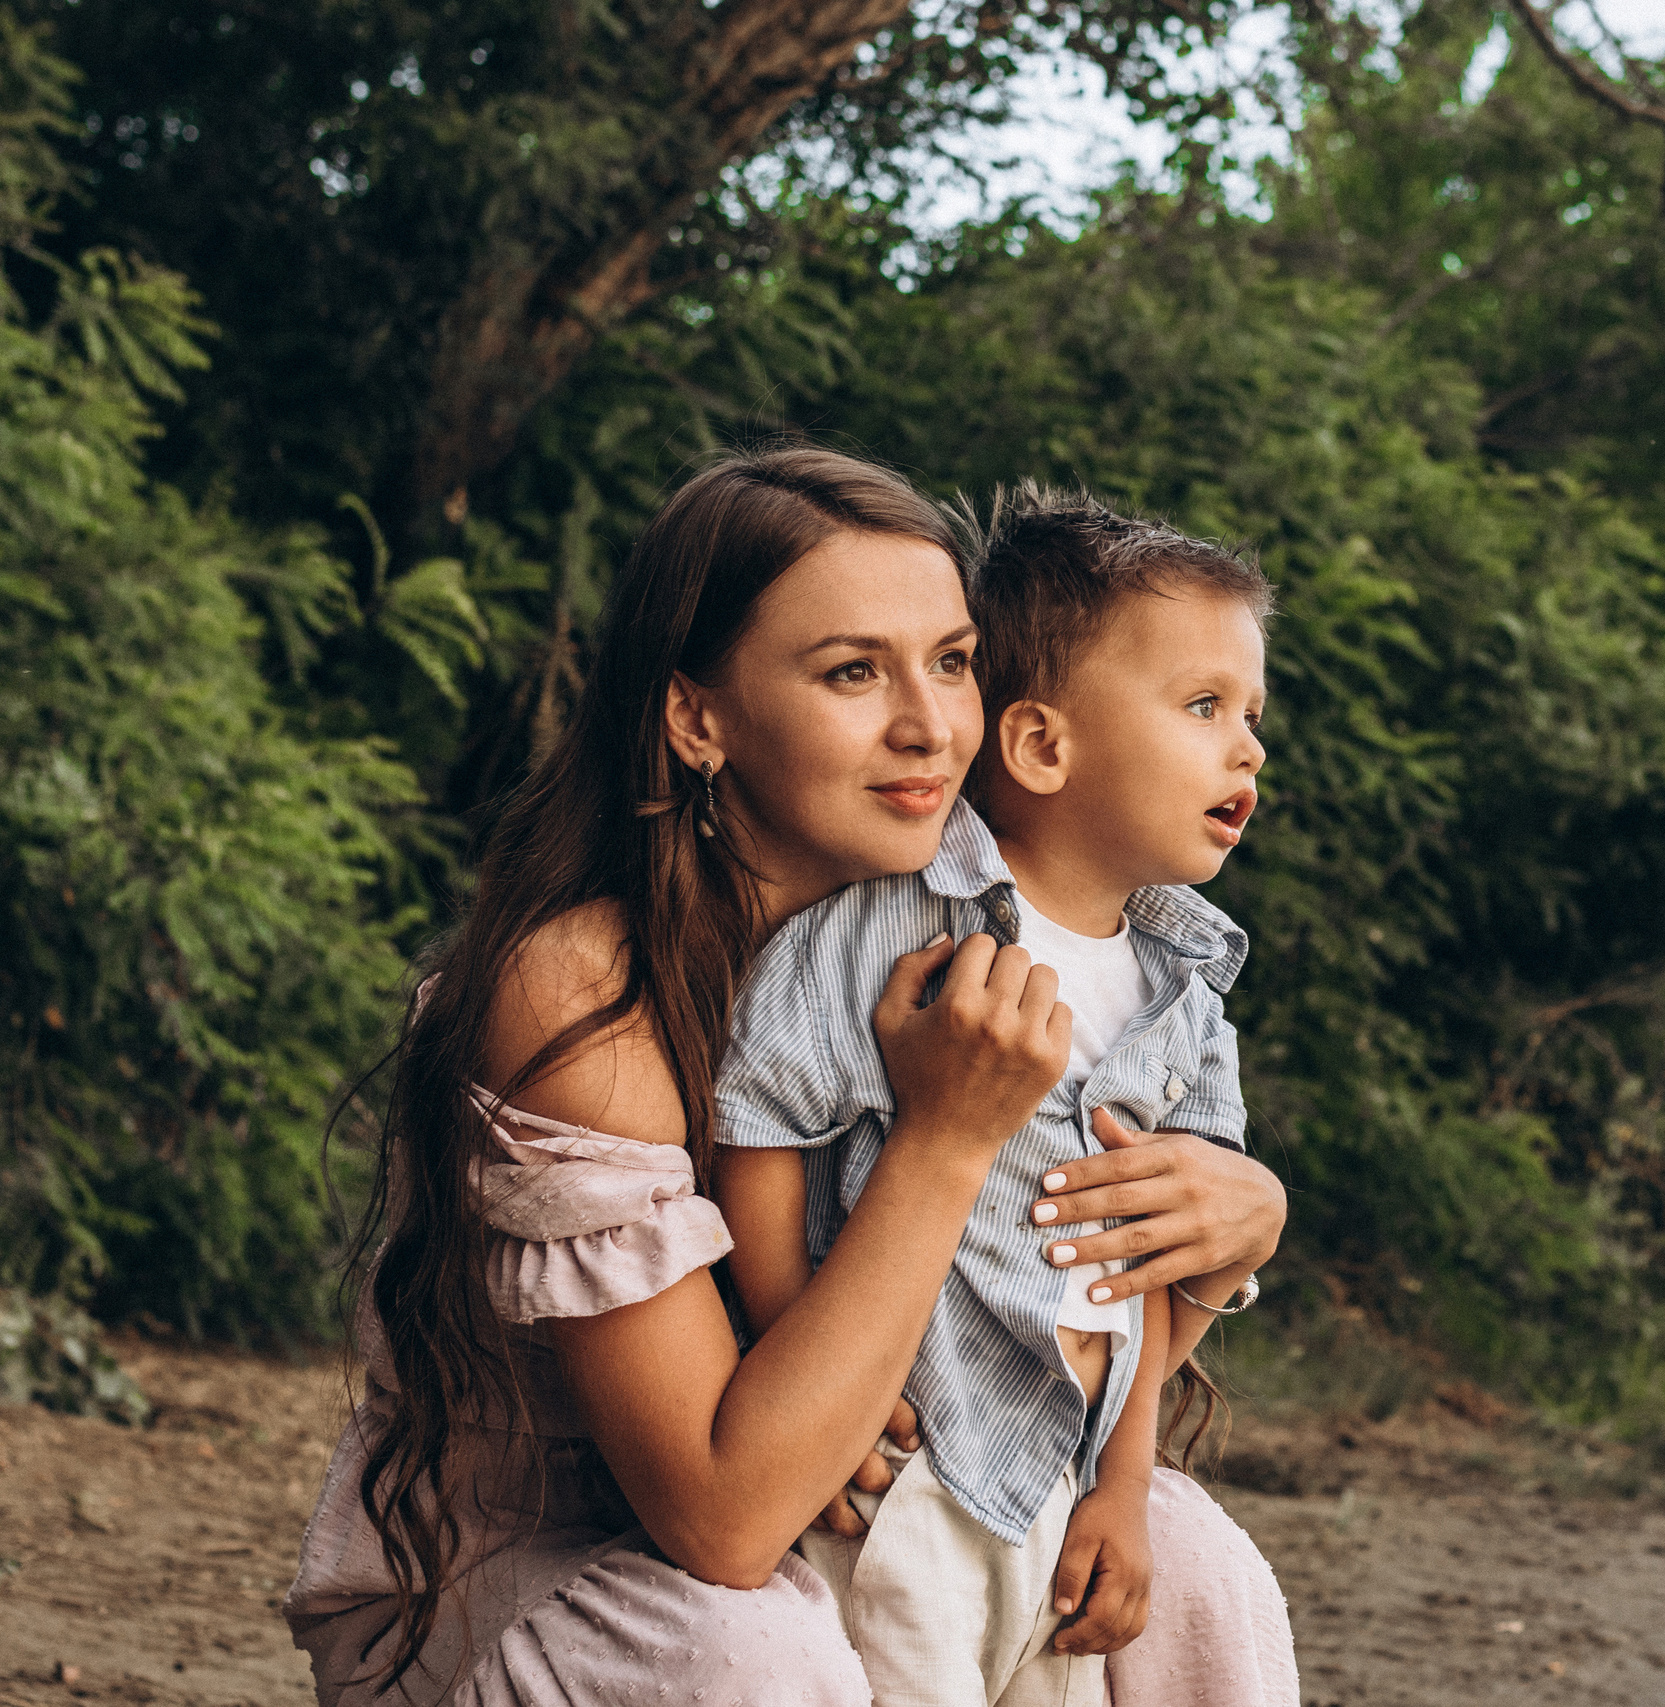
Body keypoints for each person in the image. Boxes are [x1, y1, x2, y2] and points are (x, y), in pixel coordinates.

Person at [284, 448, 1297, 1707]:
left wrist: (1231, 1227)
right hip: (544, 1585)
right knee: (746, 1650)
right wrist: (945, 1141)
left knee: (1188, 1561)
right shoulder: (586, 992)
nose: (929, 725)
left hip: (819, 1536)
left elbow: (1042, 1334)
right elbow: (725, 1522)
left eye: (951, 661)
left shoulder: (967, 940)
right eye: (851, 672)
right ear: (697, 719)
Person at [713, 488, 1273, 1705]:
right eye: (1203, 707)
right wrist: (809, 1377)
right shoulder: (894, 928)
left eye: (1251, 715)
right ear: (1041, 747)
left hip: (1062, 1484)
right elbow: (760, 1121)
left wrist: (1124, 1485)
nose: (1247, 748)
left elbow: (1151, 1277)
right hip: (916, 1474)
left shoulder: (1188, 994)